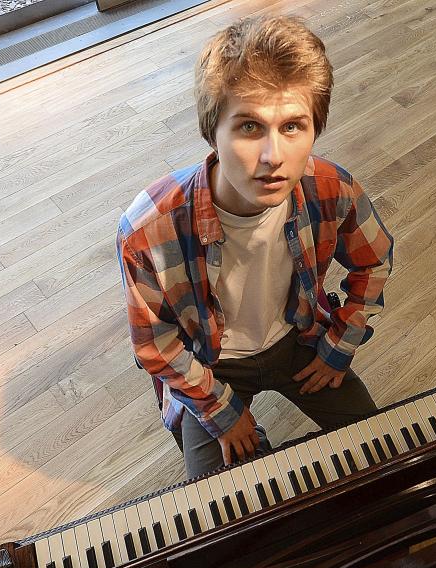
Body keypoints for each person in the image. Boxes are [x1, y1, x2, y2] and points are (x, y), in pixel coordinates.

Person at [116, 15, 393, 479]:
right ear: (212, 132)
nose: (273, 157)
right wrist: (221, 411)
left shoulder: (333, 188)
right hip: (211, 364)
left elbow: (375, 261)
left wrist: (340, 343)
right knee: (227, 507)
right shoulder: (149, 228)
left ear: (314, 129)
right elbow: (156, 344)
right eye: (248, 127)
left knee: (382, 453)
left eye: (292, 127)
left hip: (300, 338)